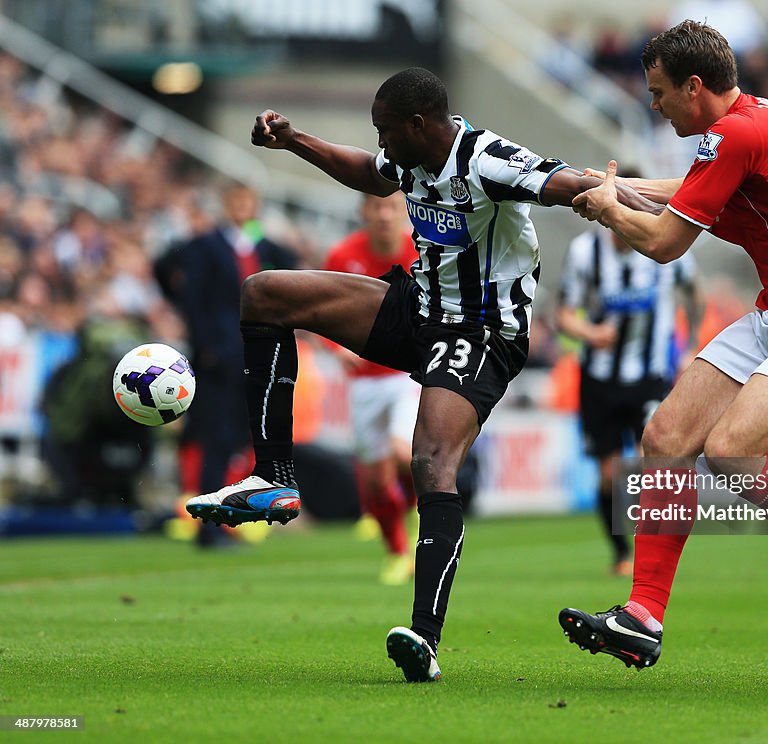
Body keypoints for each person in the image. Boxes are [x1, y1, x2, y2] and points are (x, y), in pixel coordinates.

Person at [185, 67, 619, 682]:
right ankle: (272, 478)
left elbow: (556, 179)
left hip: (484, 332)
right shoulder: (410, 157)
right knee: (265, 294)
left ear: (419, 124)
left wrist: (604, 193)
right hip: (419, 309)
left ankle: (425, 637)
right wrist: (294, 140)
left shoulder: (485, 158)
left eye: (387, 132)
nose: (382, 143)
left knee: (429, 462)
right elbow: (369, 171)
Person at [559, 21, 768, 669]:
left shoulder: (738, 134)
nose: (653, 106)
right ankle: (642, 616)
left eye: (659, 93)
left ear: (694, 86)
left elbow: (661, 244)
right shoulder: (744, 123)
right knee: (665, 438)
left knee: (732, 451)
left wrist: (607, 208)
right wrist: (606, 186)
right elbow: (683, 194)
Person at [557, 182, 701, 576]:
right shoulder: (585, 253)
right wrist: (590, 334)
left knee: (649, 458)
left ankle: (653, 552)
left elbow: (694, 294)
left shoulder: (665, 251)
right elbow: (564, 314)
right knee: (607, 473)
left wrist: (691, 344)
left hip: (650, 375)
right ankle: (621, 553)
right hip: (599, 379)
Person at [176, 184, 296, 548]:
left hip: (256, 352)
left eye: (248, 202)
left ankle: (234, 516)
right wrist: (206, 346)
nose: (242, 208)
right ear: (226, 206)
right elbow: (192, 300)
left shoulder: (266, 249)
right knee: (216, 439)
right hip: (221, 358)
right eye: (236, 201)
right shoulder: (206, 246)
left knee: (246, 438)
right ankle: (207, 528)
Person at [323, 192, 420, 585]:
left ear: (404, 211)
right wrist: (335, 348)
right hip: (363, 382)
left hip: (406, 375)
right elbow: (321, 311)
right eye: (376, 207)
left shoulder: (422, 251)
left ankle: (414, 503)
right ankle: (397, 552)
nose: (383, 215)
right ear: (364, 211)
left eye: (391, 207)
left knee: (403, 451)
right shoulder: (343, 256)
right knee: (377, 480)